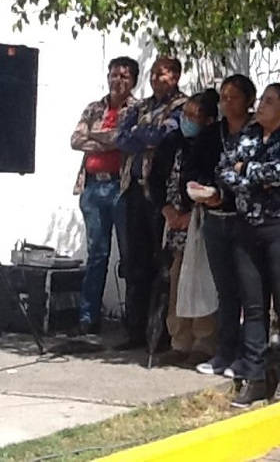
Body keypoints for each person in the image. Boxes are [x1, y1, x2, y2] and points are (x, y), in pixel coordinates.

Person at [218, 83, 280, 406]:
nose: (261, 106)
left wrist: (246, 170)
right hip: (248, 229)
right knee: (254, 307)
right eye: (262, 100)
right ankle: (255, 375)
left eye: (270, 102)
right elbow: (224, 170)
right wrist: (254, 178)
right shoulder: (248, 136)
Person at [186, 74, 257, 379]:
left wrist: (225, 194)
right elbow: (193, 168)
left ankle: (248, 355)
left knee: (249, 292)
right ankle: (224, 351)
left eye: (234, 97)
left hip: (245, 221)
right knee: (225, 291)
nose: (227, 103)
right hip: (215, 218)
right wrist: (204, 191)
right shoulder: (211, 134)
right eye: (223, 97)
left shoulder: (257, 133)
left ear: (248, 100)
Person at [115, 57, 187, 350]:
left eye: (162, 73)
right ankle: (135, 331)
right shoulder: (140, 107)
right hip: (133, 190)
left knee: (162, 263)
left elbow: (165, 137)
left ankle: (160, 335)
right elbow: (121, 138)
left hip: (159, 192)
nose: (156, 78)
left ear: (176, 76)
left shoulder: (182, 106)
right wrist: (142, 137)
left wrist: (140, 135)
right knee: (135, 262)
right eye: (153, 73)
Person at [70, 56, 139, 335]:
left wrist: (98, 137)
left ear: (133, 81)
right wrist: (109, 139)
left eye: (124, 76)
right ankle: (88, 317)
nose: (117, 80)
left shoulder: (137, 110)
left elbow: (125, 139)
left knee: (130, 255)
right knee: (97, 254)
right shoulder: (94, 108)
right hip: (91, 187)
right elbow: (76, 140)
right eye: (113, 75)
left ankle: (133, 320)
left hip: (120, 187)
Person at [154, 90, 220, 367]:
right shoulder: (172, 142)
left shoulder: (214, 143)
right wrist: (167, 210)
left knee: (202, 281)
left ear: (209, 120)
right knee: (177, 278)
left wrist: (192, 212)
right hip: (175, 224)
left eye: (195, 116)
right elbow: (155, 179)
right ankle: (179, 340)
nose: (188, 120)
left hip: (202, 220)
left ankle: (204, 341)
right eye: (186, 114)